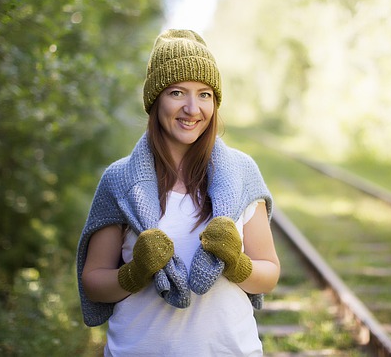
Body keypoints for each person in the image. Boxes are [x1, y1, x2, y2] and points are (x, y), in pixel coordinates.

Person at [76, 29, 280, 356]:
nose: (191, 108)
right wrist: (135, 272)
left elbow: (268, 272)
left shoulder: (242, 173)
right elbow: (94, 282)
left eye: (204, 94)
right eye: (176, 92)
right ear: (154, 100)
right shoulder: (119, 180)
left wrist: (237, 263)